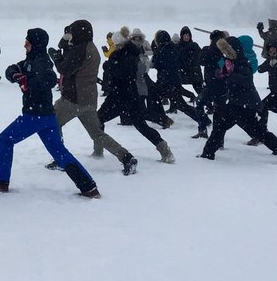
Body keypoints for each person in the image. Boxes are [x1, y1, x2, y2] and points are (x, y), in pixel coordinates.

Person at [0, 28, 100, 198]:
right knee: (59, 152)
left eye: (28, 42)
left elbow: (50, 78)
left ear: (35, 44)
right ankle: (88, 187)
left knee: (5, 140)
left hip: (35, 116)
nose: (24, 45)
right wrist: (16, 75)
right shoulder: (30, 60)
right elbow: (12, 68)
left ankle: (1, 183)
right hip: (47, 117)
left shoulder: (42, 62)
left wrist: (29, 82)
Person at [49, 20, 138, 174]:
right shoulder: (91, 47)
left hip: (72, 99)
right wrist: (63, 44)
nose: (70, 35)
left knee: (52, 124)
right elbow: (68, 53)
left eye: (72, 32)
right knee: (97, 134)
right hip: (89, 99)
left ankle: (61, 159)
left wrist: (55, 57)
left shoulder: (80, 50)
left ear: (78, 33)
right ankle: (126, 157)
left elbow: (65, 69)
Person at [197, 35, 277, 164]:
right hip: (233, 104)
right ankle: (207, 154)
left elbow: (245, 79)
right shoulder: (230, 63)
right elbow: (223, 76)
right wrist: (219, 74)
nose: (225, 53)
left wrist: (230, 74)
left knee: (261, 133)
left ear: (234, 50)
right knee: (219, 129)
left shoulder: (243, 62)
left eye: (227, 51)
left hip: (246, 105)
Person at [98, 29, 175, 163]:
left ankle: (98, 151)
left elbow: (122, 73)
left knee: (97, 120)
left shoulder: (122, 56)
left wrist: (109, 66)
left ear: (119, 44)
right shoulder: (131, 53)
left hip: (118, 96)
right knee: (141, 125)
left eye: (116, 44)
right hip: (131, 95)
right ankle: (164, 149)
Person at [152, 30, 208, 137]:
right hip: (174, 80)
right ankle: (203, 119)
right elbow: (178, 62)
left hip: (165, 82)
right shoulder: (173, 49)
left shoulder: (161, 50)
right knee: (181, 105)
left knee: (156, 97)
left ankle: (162, 119)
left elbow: (157, 64)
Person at [177, 26, 204, 99]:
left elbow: (201, 56)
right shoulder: (178, 46)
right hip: (183, 71)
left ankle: (205, 103)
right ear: (181, 36)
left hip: (194, 71)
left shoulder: (194, 45)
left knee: (199, 89)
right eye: (185, 35)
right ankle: (191, 96)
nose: (186, 37)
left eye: (188, 35)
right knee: (176, 88)